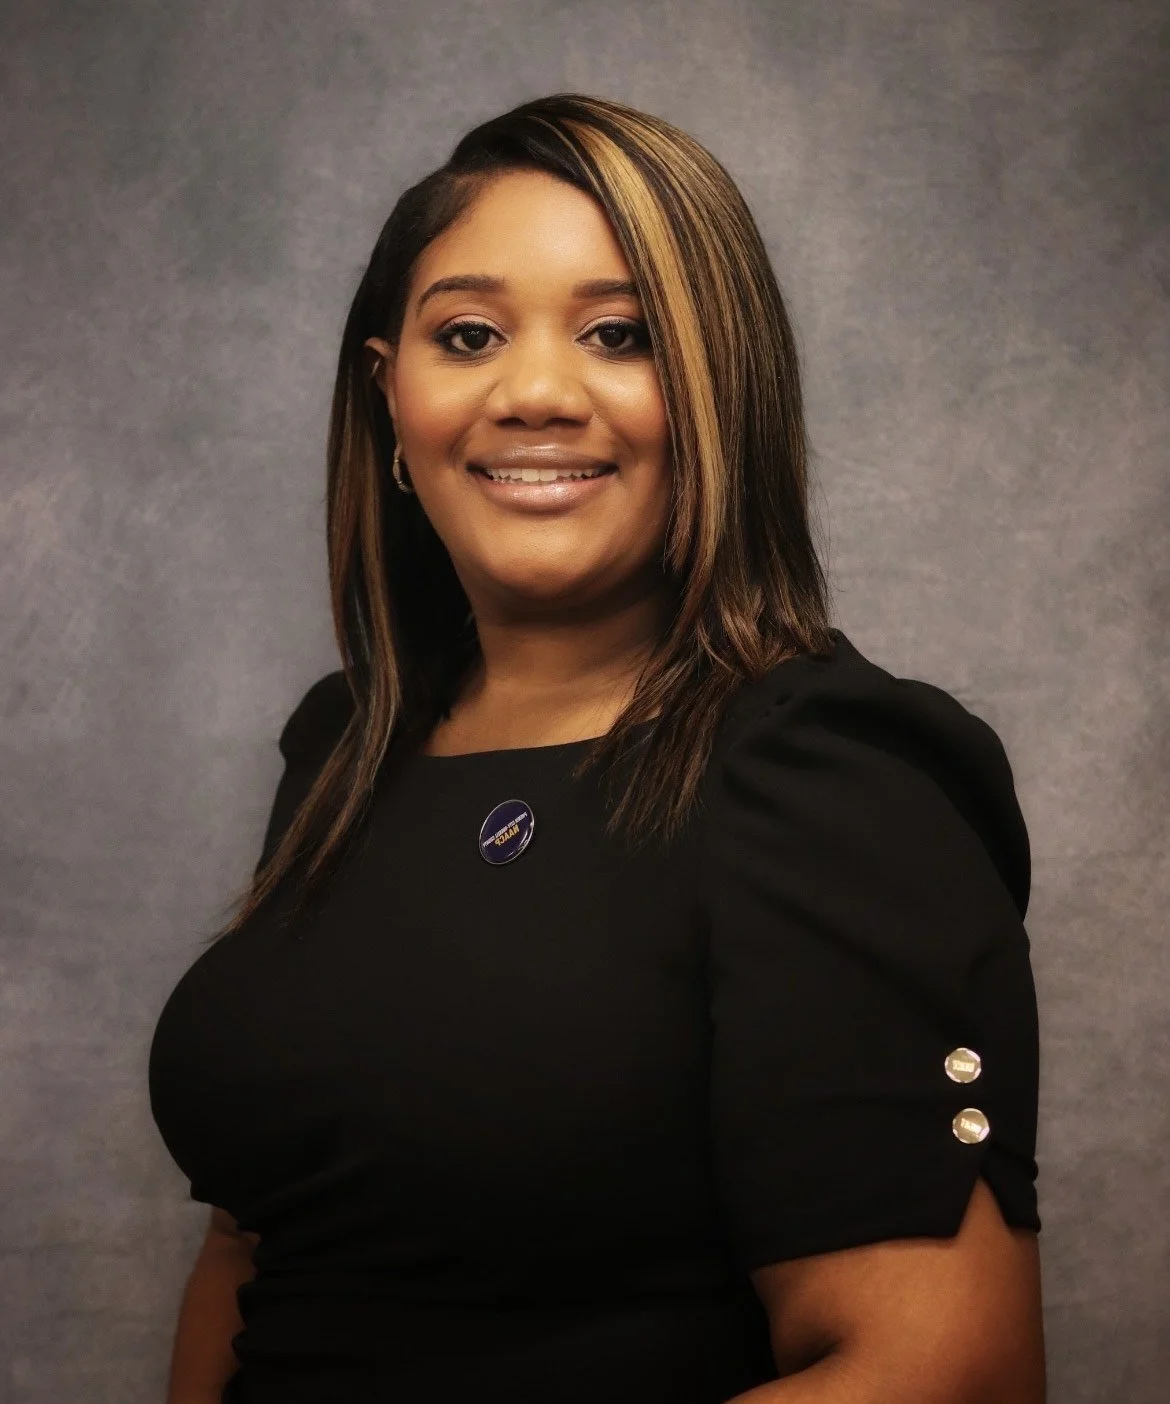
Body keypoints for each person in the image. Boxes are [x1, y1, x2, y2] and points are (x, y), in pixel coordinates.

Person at [148, 94, 1045, 1404]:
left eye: (619, 337)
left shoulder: (827, 773)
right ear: (388, 392)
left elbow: (942, 1372)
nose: (534, 394)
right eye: (468, 336)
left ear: (717, 391)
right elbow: (259, 1247)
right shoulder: (343, 747)